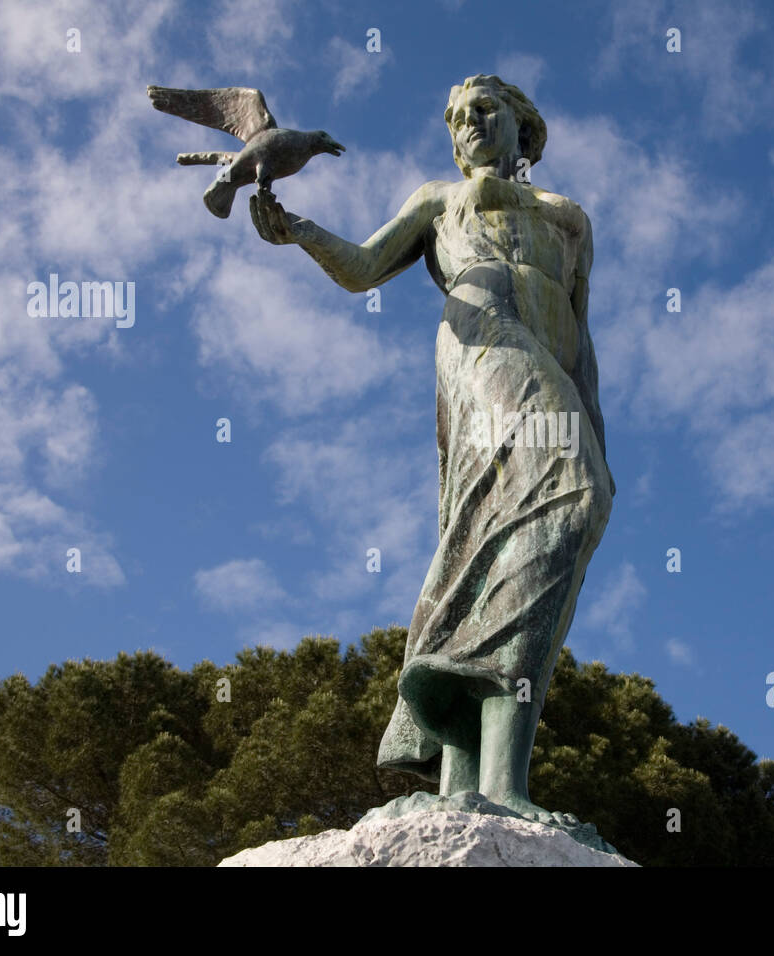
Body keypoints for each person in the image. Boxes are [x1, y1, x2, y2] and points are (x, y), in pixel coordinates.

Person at [250, 74, 614, 823]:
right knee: (564, 499)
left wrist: (596, 432)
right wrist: (301, 231)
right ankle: (503, 789)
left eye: (485, 110)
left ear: (523, 125)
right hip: (482, 345)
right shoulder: (436, 199)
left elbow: (583, 338)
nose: (469, 125)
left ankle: (469, 789)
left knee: (499, 539)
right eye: (456, 118)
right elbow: (361, 269)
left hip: (552, 364)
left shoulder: (569, 217)